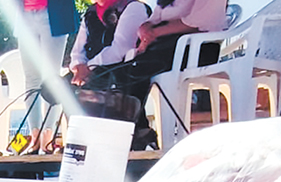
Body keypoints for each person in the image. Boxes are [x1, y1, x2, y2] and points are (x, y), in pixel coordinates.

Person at [83, 0, 227, 148]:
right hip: (165, 42)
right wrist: (145, 30)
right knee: (114, 73)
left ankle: (130, 135)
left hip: (197, 46)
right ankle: (134, 132)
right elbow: (155, 17)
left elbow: (200, 22)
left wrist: (155, 32)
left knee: (135, 71)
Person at [17, 0, 79, 152]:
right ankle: (35, 135)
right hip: (25, 14)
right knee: (31, 78)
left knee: (51, 79)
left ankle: (48, 134)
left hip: (52, 14)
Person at [69, 0, 153, 87]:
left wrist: (88, 67)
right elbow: (77, 52)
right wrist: (78, 65)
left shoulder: (134, 7)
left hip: (125, 82)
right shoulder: (91, 13)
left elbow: (120, 50)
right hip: (95, 81)